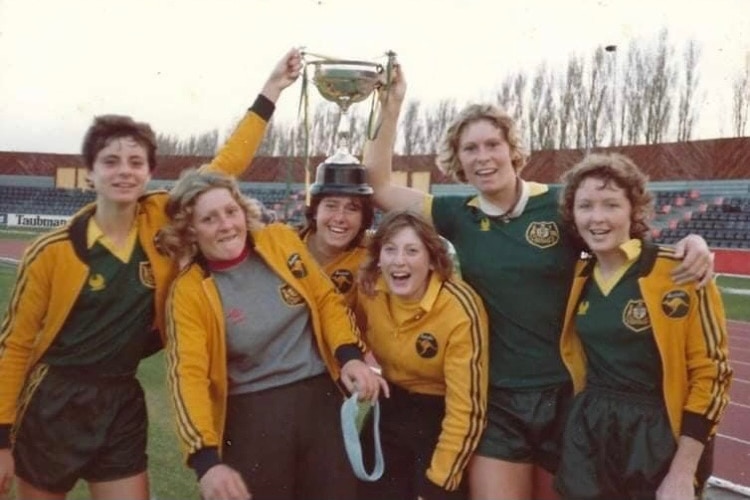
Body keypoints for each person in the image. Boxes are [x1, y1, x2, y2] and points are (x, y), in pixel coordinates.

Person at [361, 62, 715, 500]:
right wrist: (391, 104)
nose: (483, 156)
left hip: (567, 396)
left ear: (513, 149)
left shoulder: (561, 205)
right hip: (497, 399)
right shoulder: (457, 213)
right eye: (470, 148)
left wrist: (692, 241)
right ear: (459, 160)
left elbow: (626, 241)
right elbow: (377, 185)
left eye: (493, 143)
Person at [0, 48, 302, 500]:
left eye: (135, 162)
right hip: (55, 401)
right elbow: (15, 345)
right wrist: (2, 439)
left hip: (121, 399)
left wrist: (271, 89)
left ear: (149, 172)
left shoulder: (160, 214)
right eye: (111, 161)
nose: (124, 171)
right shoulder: (53, 251)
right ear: (90, 173)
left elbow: (225, 165)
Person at [160, 169, 388, 500]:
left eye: (230, 211)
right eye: (210, 219)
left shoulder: (278, 240)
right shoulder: (189, 292)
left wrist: (350, 357)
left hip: (321, 403)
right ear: (191, 230)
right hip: (253, 418)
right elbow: (187, 376)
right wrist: (205, 460)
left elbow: (326, 300)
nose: (226, 225)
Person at [554, 153, 731, 499]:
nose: (597, 217)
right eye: (585, 205)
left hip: (657, 437)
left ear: (634, 211)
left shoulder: (679, 271)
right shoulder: (578, 275)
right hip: (590, 433)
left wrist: (683, 471)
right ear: (573, 216)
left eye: (611, 205)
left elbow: (713, 376)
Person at [355, 210, 488, 500]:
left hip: (439, 417)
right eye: (390, 250)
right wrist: (357, 356)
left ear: (431, 260)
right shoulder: (371, 290)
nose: (399, 260)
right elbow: (342, 323)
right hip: (390, 404)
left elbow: (465, 408)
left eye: (412, 250)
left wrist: (439, 483)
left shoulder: (458, 308)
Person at [298, 160, 376, 308]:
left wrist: (376, 263)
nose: (340, 218)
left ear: (363, 218)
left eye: (352, 208)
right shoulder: (286, 245)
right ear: (315, 211)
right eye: (331, 206)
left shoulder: (374, 252)